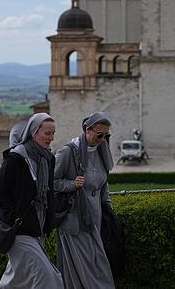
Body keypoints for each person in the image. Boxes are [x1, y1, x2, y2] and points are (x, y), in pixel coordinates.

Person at [0, 114, 63, 289]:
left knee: (19, 278)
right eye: (47, 133)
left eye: (53, 133)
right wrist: (12, 217)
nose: (51, 138)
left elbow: (48, 192)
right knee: (49, 277)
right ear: (34, 132)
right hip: (19, 230)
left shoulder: (48, 159)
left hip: (38, 228)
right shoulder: (16, 158)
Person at [53, 111, 116, 289]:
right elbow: (52, 181)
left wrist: (108, 211)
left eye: (106, 135)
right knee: (88, 268)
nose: (102, 139)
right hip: (75, 221)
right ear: (88, 130)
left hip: (95, 219)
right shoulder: (68, 152)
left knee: (97, 263)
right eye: (99, 135)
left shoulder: (102, 152)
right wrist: (72, 184)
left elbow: (103, 185)